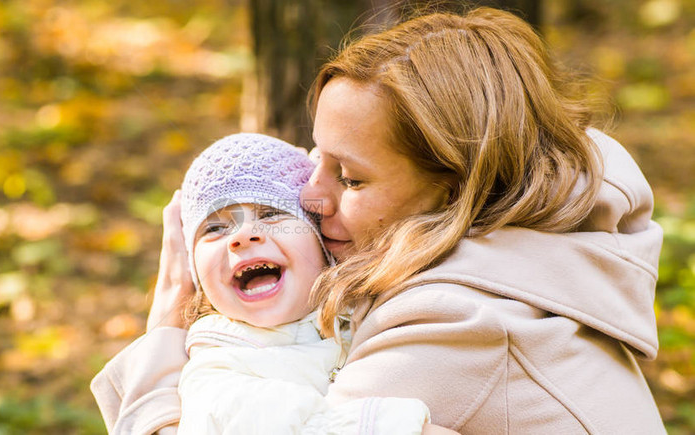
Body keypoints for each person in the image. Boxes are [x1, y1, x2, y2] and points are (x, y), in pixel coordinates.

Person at [92, 7, 666, 434]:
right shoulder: (522, 255)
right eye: (318, 155)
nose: (310, 196)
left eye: (351, 178)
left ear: (454, 187)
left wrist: (166, 325)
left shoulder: (457, 323)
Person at [170, 132, 431, 434]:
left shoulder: (364, 307)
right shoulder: (218, 365)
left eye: (271, 213)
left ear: (323, 245)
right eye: (215, 228)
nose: (242, 236)